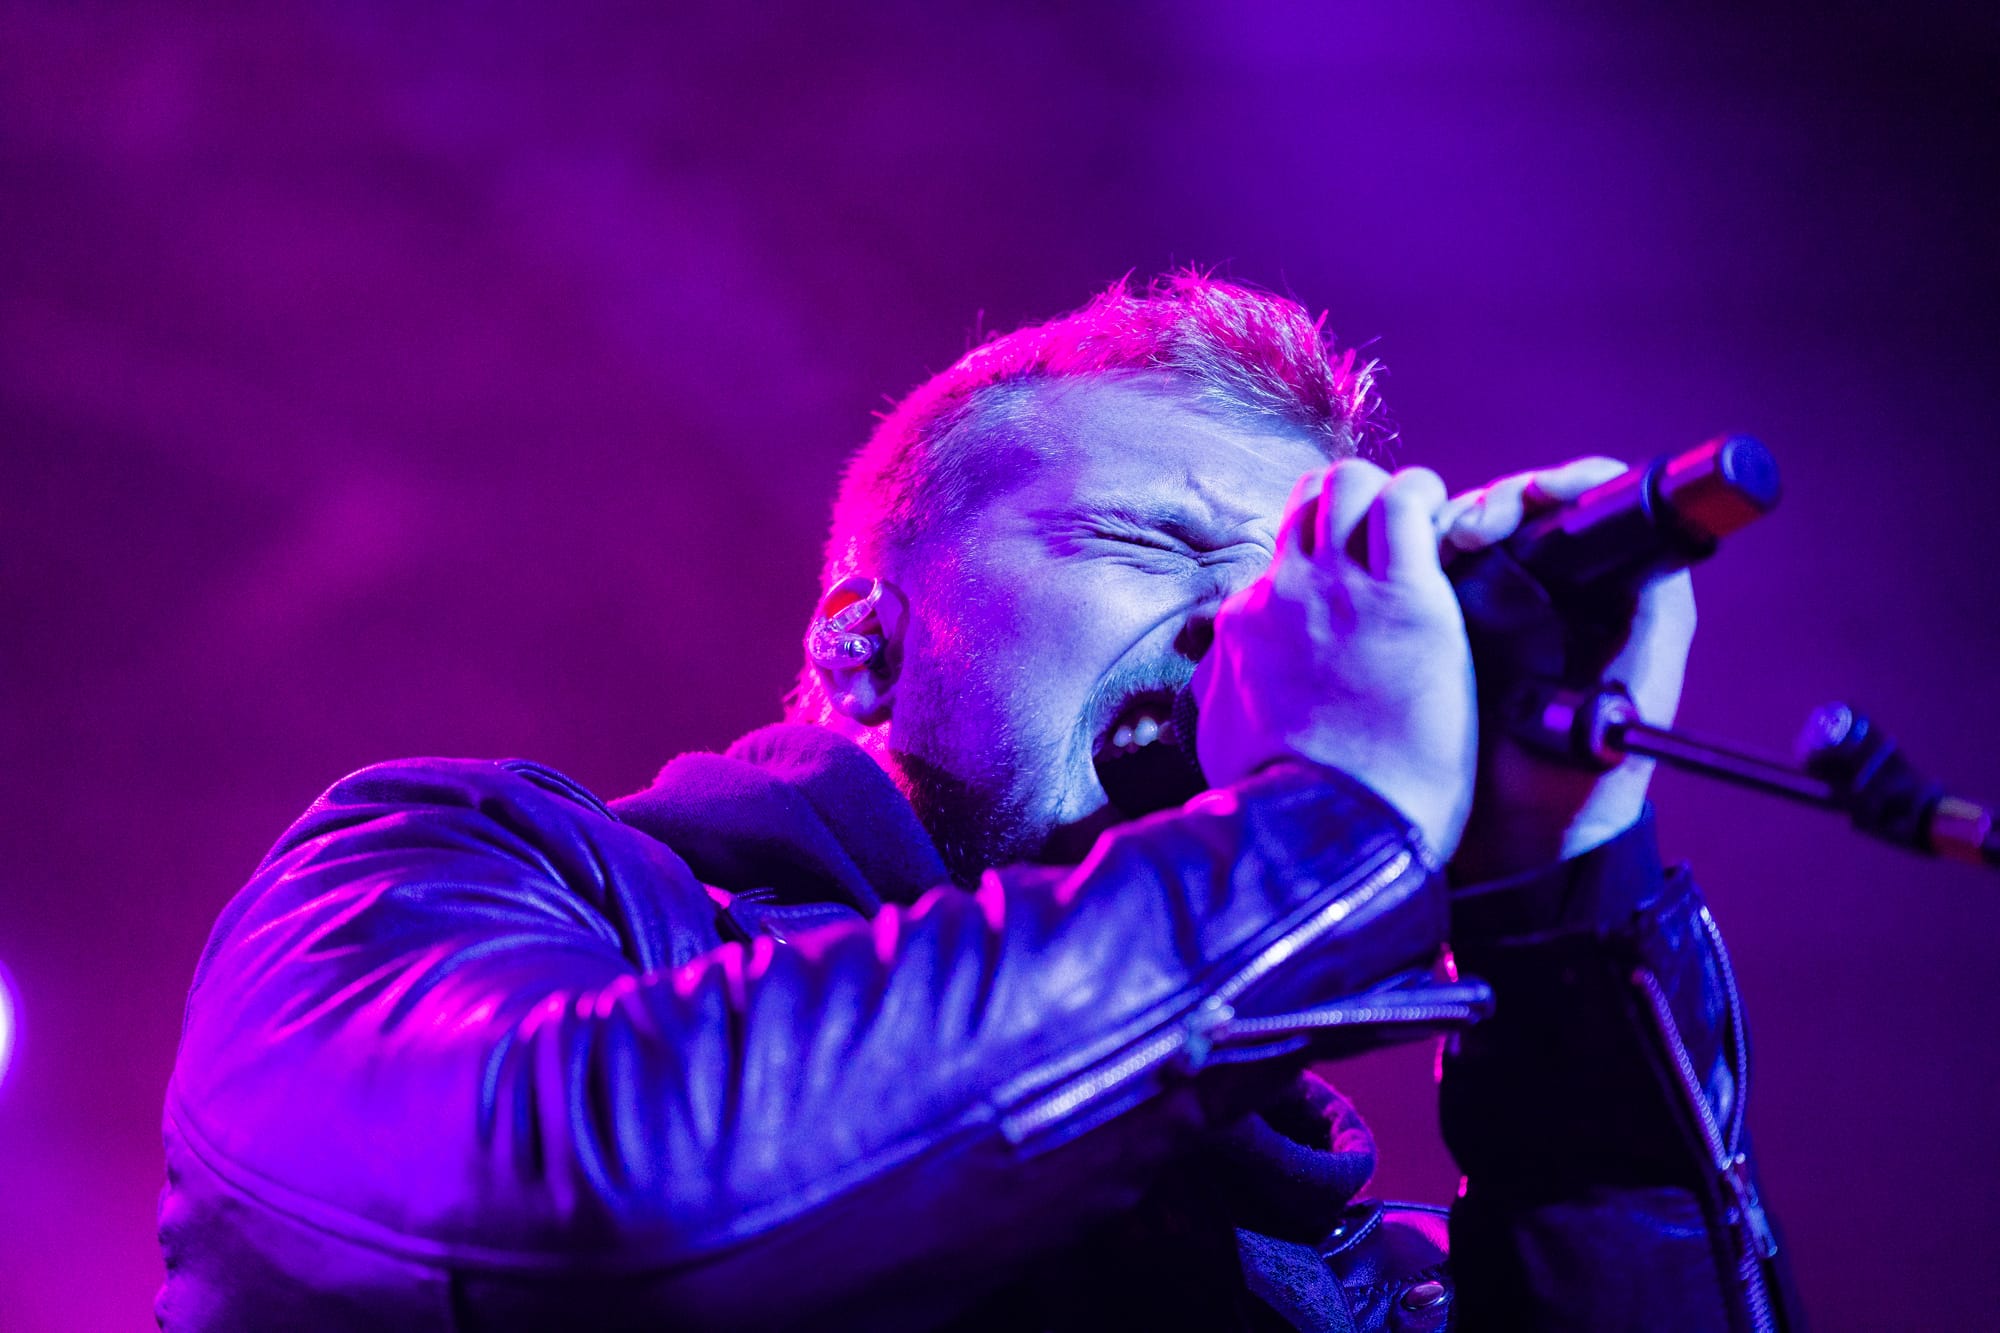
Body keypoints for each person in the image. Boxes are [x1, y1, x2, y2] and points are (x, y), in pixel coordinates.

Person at [157, 273, 1796, 1330]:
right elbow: (581, 1210)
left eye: (1287, 583)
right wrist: (1327, 825)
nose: (1245, 630)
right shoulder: (453, 871)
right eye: (1155, 545)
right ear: (863, 644)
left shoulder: (1348, 1272)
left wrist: (1564, 911)